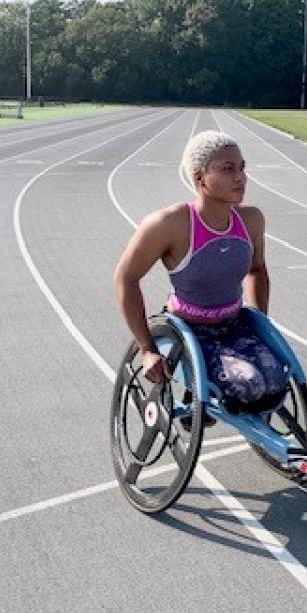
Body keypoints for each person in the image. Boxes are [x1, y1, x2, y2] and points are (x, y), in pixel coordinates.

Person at [113, 130, 288, 413]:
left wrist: (261, 325)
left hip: (234, 325)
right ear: (199, 178)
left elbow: (257, 270)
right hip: (190, 332)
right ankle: (202, 401)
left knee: (279, 379)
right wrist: (146, 349)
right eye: (228, 169)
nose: (240, 177)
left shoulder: (251, 219)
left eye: (242, 168)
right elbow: (126, 278)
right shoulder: (169, 224)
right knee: (250, 385)